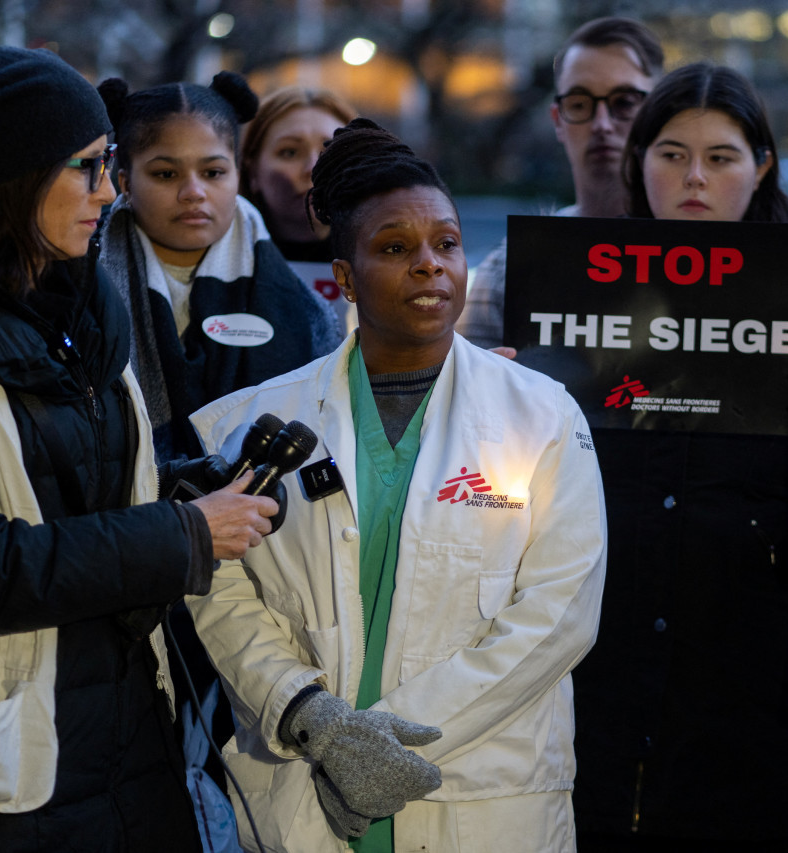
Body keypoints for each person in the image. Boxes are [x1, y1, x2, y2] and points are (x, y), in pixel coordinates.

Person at [185, 118, 609, 853]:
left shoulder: (541, 416)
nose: (429, 266)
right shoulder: (247, 423)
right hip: (302, 786)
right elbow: (218, 588)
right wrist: (314, 718)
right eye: (394, 248)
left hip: (481, 798)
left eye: (446, 243)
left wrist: (377, 745)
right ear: (343, 277)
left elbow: (557, 614)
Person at [0, 46, 277, 850]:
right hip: (0, 781)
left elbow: (88, 487)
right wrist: (185, 536)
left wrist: (193, 489)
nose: (109, 191)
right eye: (87, 168)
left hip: (129, 742)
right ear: (8, 178)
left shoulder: (83, 305)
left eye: (110, 165)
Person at [569, 61, 788, 852]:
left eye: (721, 157)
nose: (695, 177)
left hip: (754, 684)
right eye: (671, 153)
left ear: (761, 166)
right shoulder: (573, 291)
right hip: (601, 669)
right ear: (638, 163)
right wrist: (515, 395)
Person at [97, 71, 341, 464]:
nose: (193, 192)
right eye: (165, 174)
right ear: (124, 181)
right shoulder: (80, 291)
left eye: (212, 173)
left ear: (237, 176)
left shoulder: (305, 309)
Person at [455, 16, 664, 350]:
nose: (602, 124)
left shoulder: (715, 257)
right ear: (558, 119)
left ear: (657, 113)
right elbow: (459, 396)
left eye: (624, 103)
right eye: (579, 104)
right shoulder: (509, 266)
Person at [239, 85, 358, 332]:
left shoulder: (391, 261)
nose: (314, 169)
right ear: (252, 172)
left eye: (332, 151)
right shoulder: (218, 265)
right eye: (290, 152)